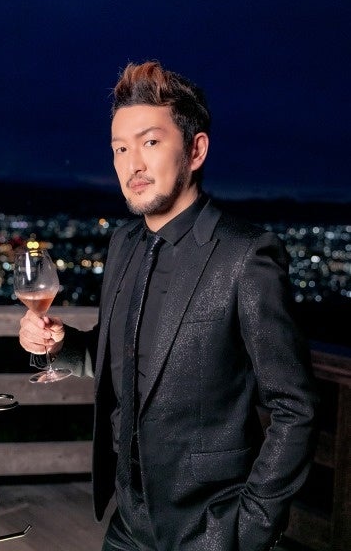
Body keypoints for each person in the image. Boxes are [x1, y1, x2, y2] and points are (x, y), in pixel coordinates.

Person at [18, 60, 318, 551]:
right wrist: (59, 344)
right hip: (127, 521)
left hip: (211, 528)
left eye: (151, 142)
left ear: (195, 150)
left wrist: (249, 529)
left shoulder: (245, 255)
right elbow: (121, 362)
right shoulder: (123, 243)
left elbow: (296, 408)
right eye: (120, 148)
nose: (132, 164)